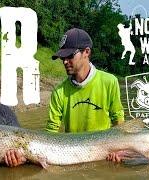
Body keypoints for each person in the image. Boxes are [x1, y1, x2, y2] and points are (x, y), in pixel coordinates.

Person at [46, 28, 125, 162]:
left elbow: (118, 120)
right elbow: (51, 131)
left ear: (86, 52)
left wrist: (120, 149)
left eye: (70, 56)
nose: (65, 61)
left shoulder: (109, 81)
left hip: (103, 155)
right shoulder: (59, 91)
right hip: (73, 156)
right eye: (62, 57)